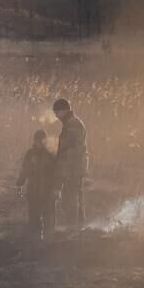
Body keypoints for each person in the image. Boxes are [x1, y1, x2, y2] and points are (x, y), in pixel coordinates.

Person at [53, 98, 88, 231]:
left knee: (70, 200)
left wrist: (62, 171)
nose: (56, 116)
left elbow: (69, 151)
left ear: (64, 110)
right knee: (74, 198)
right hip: (74, 168)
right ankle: (77, 229)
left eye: (57, 112)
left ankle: (73, 229)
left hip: (72, 169)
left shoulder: (73, 125)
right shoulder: (71, 123)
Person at [16, 129, 58, 242]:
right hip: (33, 192)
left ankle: (49, 243)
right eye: (38, 140)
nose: (40, 142)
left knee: (48, 219)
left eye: (42, 140)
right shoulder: (30, 154)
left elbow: (56, 175)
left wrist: (56, 190)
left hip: (47, 193)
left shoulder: (50, 155)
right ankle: (34, 244)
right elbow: (24, 170)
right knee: (34, 219)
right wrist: (20, 183)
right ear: (35, 141)